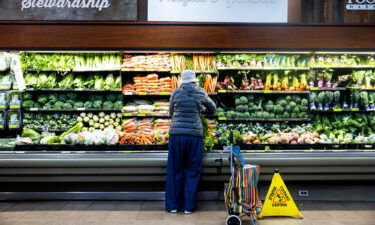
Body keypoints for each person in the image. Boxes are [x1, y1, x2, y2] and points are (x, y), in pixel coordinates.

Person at [165, 70, 217, 214]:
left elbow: (170, 113)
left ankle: (173, 206)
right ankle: (188, 207)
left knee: (175, 169)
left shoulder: (175, 92)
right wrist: (201, 110)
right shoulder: (201, 92)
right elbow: (213, 109)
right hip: (194, 135)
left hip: (176, 135)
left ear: (182, 81)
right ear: (194, 81)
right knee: (192, 170)